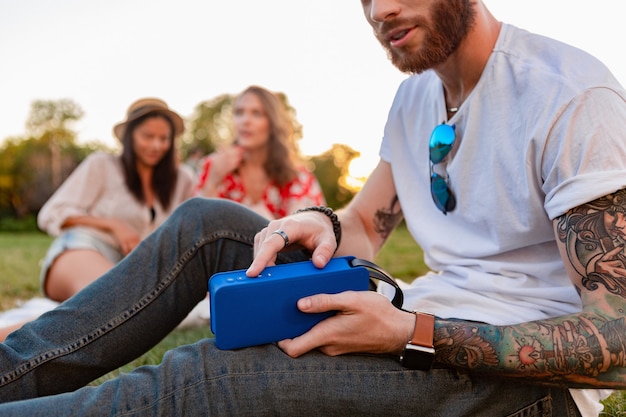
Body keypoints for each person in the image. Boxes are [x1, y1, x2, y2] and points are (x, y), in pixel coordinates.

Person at [0, 0, 625, 415]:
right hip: (421, 315)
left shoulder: (568, 95)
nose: (380, 10)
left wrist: (412, 334)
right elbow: (362, 227)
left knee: (211, 380)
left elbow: (619, 344)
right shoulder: (416, 99)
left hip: (528, 390)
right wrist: (322, 223)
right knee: (203, 224)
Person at [0, 98, 194, 340]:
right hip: (83, 247)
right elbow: (51, 214)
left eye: (164, 138)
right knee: (106, 305)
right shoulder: (102, 165)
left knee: (129, 315)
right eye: (148, 136)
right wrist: (112, 225)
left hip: (128, 271)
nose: (156, 144)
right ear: (130, 136)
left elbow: (194, 224)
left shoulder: (182, 179)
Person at [195, 85, 326, 219]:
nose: (245, 121)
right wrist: (213, 181)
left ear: (272, 122)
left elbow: (312, 227)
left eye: (256, 113)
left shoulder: (298, 178)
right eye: (239, 112)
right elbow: (196, 225)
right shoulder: (212, 165)